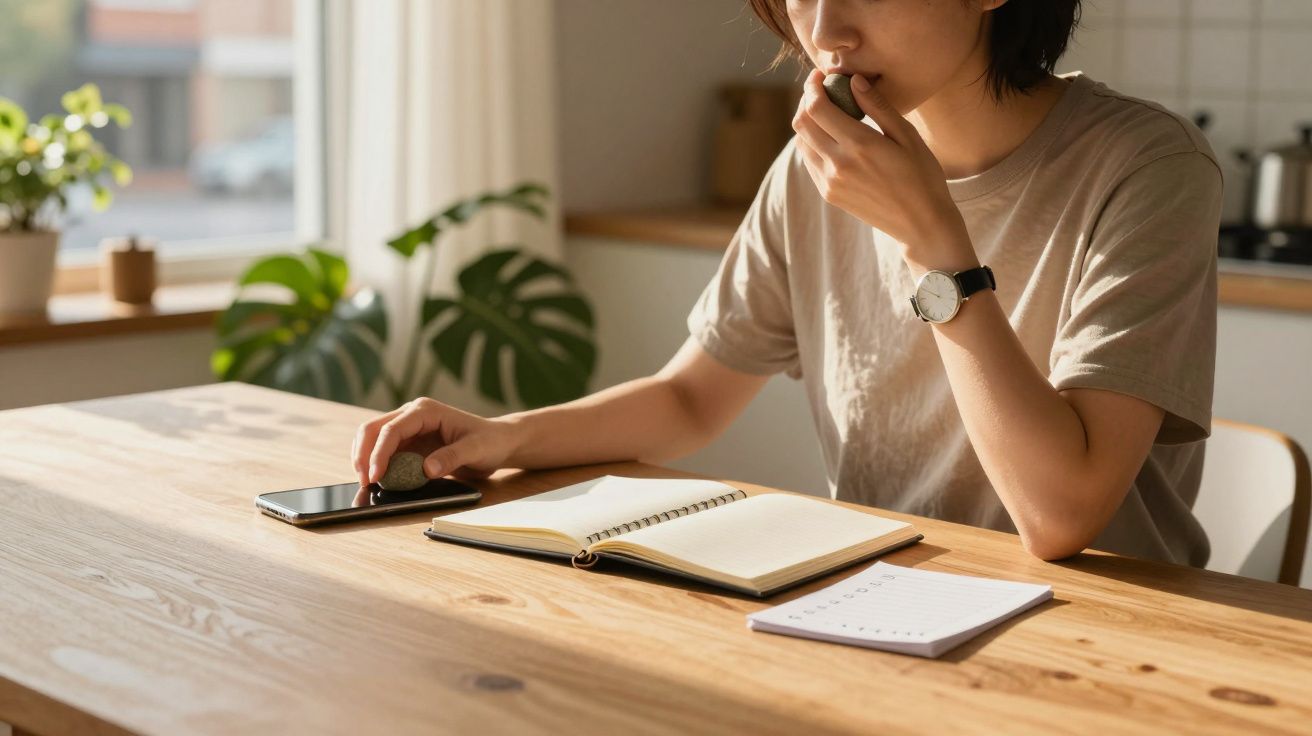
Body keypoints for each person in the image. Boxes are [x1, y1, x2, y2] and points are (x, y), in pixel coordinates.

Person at [352, 0, 1221, 566]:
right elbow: (690, 400)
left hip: (1104, 636)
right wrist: (499, 439)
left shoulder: (1146, 167)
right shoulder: (816, 171)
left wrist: (936, 246)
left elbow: (1061, 517)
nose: (826, 31)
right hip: (883, 610)